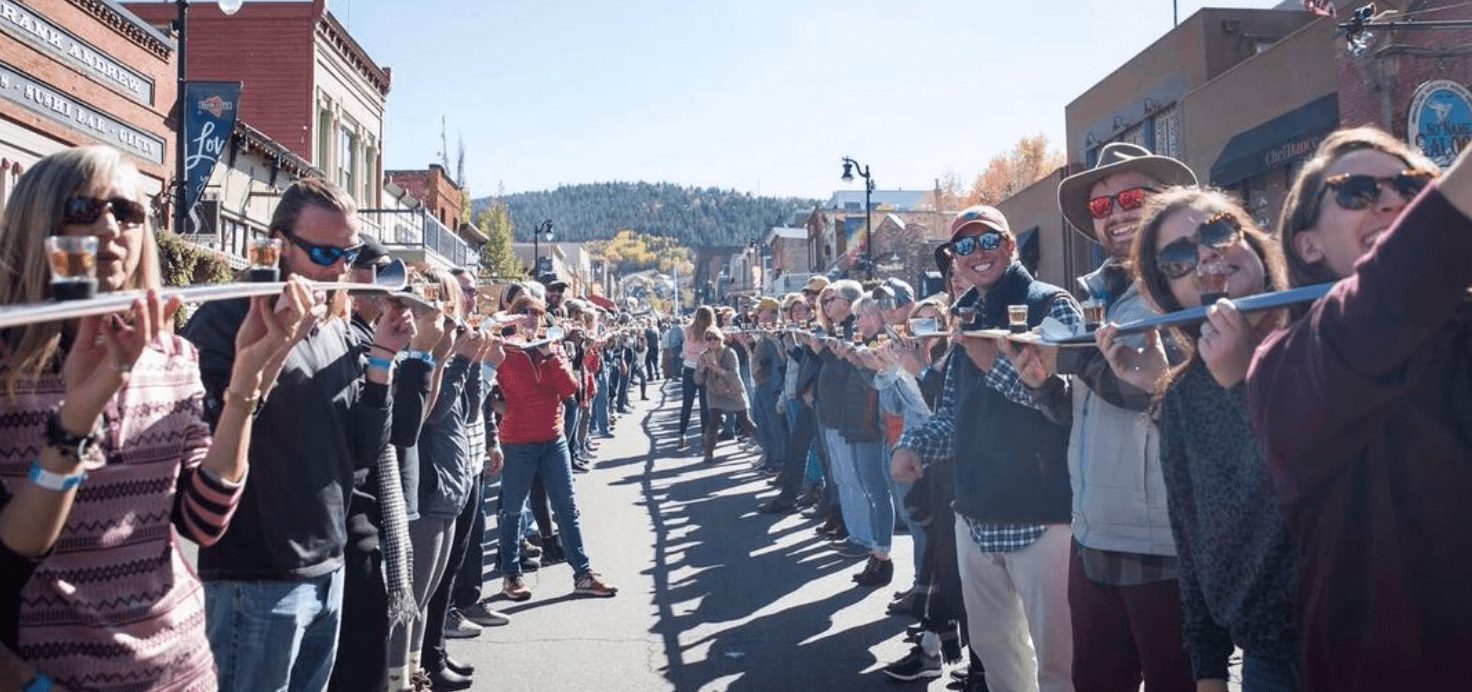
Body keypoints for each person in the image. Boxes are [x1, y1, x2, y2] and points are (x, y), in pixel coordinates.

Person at [0, 146, 309, 691]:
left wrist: (247, 381)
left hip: (181, 668)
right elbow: (17, 548)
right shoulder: (9, 370)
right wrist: (78, 414)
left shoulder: (172, 355)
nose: (110, 226)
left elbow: (204, 522)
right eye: (83, 208)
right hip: (54, 673)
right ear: (37, 220)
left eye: (128, 211)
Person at [1247, 127, 1472, 691]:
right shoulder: (1284, 365)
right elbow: (1384, 302)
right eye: (1356, 192)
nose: (1394, 200)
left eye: (1413, 184)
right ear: (1308, 244)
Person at [184, 177, 413, 692]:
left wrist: (381, 363)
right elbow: (205, 442)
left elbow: (361, 454)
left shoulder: (340, 326)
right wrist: (276, 346)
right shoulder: (224, 319)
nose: (337, 268)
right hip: (254, 576)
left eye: (346, 253)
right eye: (323, 252)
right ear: (279, 244)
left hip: (328, 569)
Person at [1097, 187, 1299, 692]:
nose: (1207, 253)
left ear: (1250, 238)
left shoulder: (1323, 333)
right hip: (1270, 661)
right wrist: (1208, 671)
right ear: (1168, 294)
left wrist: (1243, 383)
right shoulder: (1183, 395)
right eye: (1179, 257)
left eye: (1218, 230)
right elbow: (1193, 544)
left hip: (1373, 641)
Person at [893, 205, 1081, 692]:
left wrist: (988, 363)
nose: (976, 254)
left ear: (1010, 245)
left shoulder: (1053, 304)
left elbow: (1067, 407)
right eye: (964, 246)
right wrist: (914, 445)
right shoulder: (967, 314)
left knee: (1061, 666)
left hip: (1044, 514)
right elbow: (953, 417)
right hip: (974, 513)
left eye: (987, 241)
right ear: (954, 260)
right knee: (998, 662)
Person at [1048, 142, 1198, 692]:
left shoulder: (1188, 283)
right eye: (1102, 206)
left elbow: (1153, 392)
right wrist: (1043, 380)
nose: (1116, 213)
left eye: (1131, 197)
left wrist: (1076, 353)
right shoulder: (1100, 298)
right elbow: (1090, 411)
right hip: (1093, 531)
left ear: (1165, 203)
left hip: (1161, 544)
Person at [334, 244, 445, 692]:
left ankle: (413, 669)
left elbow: (408, 425)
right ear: (355, 282)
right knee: (357, 663)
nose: (392, 293)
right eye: (379, 276)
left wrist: (436, 351)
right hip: (353, 515)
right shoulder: (353, 338)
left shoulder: (372, 338)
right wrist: (418, 355)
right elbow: (403, 429)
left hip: (378, 508)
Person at [496, 295, 618, 601]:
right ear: (513, 317)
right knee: (512, 510)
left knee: (567, 508)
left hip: (553, 439)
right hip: (518, 441)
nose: (532, 318)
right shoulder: (505, 352)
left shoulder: (553, 347)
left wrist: (549, 356)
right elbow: (505, 390)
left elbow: (570, 390)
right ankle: (511, 575)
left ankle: (583, 573)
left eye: (537, 313)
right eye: (524, 313)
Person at [693, 327, 758, 464]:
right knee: (713, 422)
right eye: (709, 338)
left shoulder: (729, 353)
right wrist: (701, 369)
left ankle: (765, 444)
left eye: (715, 338)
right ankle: (708, 453)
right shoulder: (703, 356)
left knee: (745, 421)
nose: (712, 342)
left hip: (733, 390)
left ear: (720, 339)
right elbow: (697, 380)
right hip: (715, 392)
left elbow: (734, 375)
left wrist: (718, 369)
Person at [677, 307, 714, 448]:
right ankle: (704, 434)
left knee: (687, 404)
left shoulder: (687, 330)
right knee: (705, 405)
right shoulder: (711, 332)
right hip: (705, 369)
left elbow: (685, 349)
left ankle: (682, 434)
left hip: (689, 368)